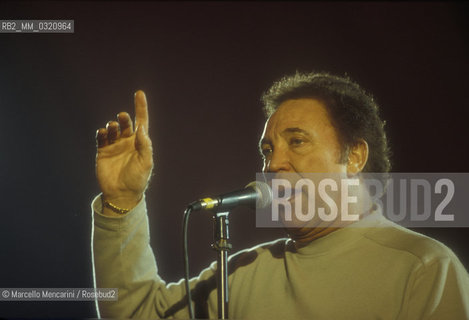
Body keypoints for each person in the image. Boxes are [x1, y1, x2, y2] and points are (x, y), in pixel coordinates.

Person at [92, 72, 469, 319]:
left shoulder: (424, 268)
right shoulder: (242, 272)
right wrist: (122, 200)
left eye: (297, 141)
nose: (272, 166)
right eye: (267, 150)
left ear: (353, 156)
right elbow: (135, 311)